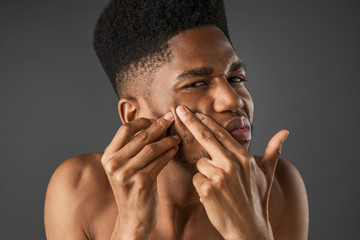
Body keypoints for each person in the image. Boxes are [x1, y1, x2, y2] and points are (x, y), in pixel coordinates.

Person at [44, 0, 309, 239]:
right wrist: (131, 228)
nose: (234, 101)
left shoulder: (279, 187)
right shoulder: (79, 188)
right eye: (196, 84)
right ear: (134, 115)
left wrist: (251, 233)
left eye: (235, 79)